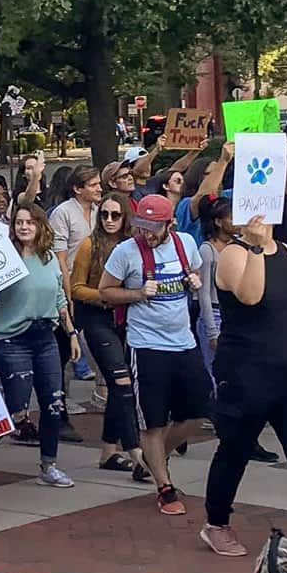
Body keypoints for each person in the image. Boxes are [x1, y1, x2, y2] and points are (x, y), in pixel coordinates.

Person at [200, 186, 287, 556]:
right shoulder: (232, 255)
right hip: (246, 374)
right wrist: (255, 247)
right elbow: (251, 296)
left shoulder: (286, 252)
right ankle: (216, 522)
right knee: (235, 448)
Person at [101, 194, 207, 516]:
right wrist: (135, 294)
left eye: (153, 227)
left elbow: (198, 276)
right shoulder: (125, 252)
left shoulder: (185, 244)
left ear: (169, 223)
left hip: (184, 342)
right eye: (142, 226)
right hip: (146, 346)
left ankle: (154, 456)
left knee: (198, 410)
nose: (146, 233)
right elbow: (105, 291)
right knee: (152, 422)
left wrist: (195, 281)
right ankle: (164, 486)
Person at [0, 200, 74, 489]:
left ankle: (49, 465)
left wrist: (70, 332)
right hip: (12, 339)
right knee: (17, 407)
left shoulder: (48, 257)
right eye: (19, 222)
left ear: (40, 226)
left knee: (52, 403)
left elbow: (60, 297)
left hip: (45, 337)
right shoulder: (2, 258)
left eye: (30, 222)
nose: (24, 227)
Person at [67, 191, 145, 478]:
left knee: (121, 384)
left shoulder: (132, 245)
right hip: (98, 317)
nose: (109, 220)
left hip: (127, 320)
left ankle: (109, 451)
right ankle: (136, 451)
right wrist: (106, 296)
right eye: (104, 214)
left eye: (115, 214)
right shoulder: (90, 245)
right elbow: (76, 288)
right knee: (122, 382)